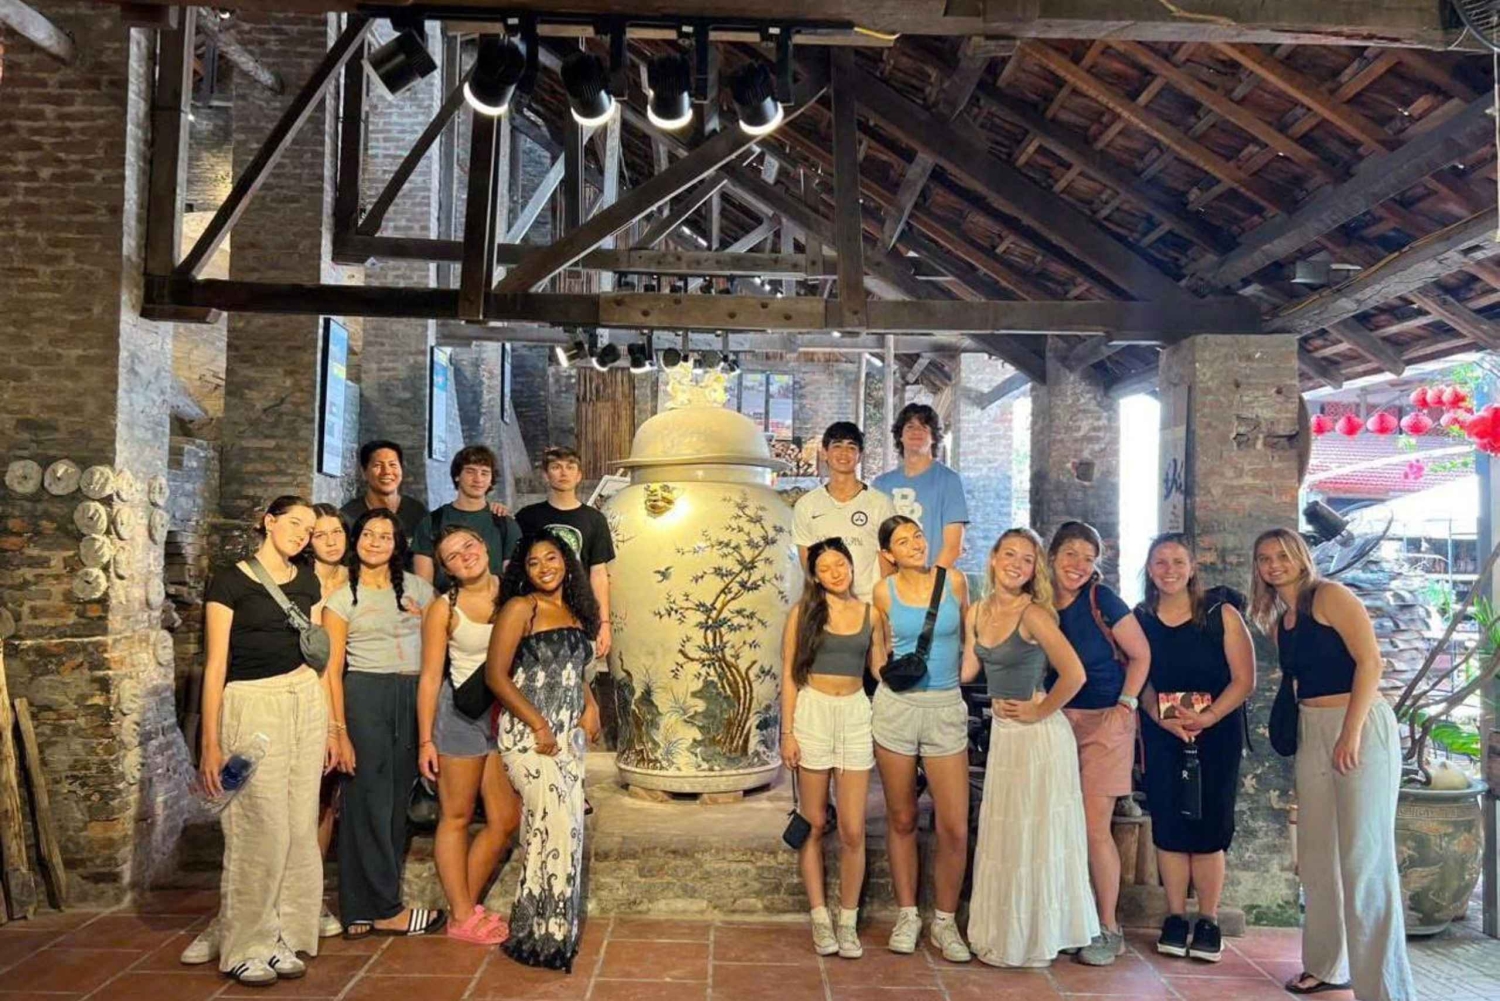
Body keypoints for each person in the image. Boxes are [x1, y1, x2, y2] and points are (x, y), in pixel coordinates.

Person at [180, 503, 349, 969]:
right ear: (269, 522)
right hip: (252, 701)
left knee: (298, 825)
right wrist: (210, 743)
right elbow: (216, 665)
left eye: (309, 530)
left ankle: (286, 934)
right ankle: (246, 945)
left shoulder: (307, 580)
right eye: (294, 523)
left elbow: (317, 657)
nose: (302, 535)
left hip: (304, 699)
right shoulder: (229, 582)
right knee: (258, 826)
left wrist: (331, 726)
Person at [1252, 528, 1412, 1001]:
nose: (1274, 564)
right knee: (1318, 855)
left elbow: (1371, 662)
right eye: (1264, 558)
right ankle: (1326, 964)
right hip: (1312, 727)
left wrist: (1351, 731)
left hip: (1358, 723)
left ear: (1302, 557)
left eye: (1283, 555)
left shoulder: (1330, 596)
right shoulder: (1282, 621)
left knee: (1364, 858)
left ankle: (1385, 988)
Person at [962, 528, 1097, 968]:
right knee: (1007, 835)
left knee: (1033, 836)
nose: (1016, 565)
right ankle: (1005, 933)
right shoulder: (977, 612)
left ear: (1034, 568)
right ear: (994, 558)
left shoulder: (1035, 614)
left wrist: (1039, 710)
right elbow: (965, 672)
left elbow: (1075, 674)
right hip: (1004, 736)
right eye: (1010, 555)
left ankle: (1037, 936)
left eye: (1026, 559)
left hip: (1039, 737)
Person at [486, 530, 603, 971]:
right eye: (533, 563)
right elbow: (496, 676)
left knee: (562, 832)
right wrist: (537, 724)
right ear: (524, 570)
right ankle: (542, 937)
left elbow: (575, 672)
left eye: (551, 558)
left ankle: (544, 931)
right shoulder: (522, 608)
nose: (543, 568)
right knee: (552, 828)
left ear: (566, 561)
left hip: (568, 738)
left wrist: (591, 706)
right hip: (530, 737)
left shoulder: (575, 609)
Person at [324, 509, 444, 938]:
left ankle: (377, 904)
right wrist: (338, 730)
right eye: (368, 534)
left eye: (385, 536)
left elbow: (441, 643)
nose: (376, 542)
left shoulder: (420, 590)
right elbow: (332, 670)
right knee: (365, 800)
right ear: (356, 540)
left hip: (414, 695)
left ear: (398, 545)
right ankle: (369, 907)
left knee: (396, 804)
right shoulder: (341, 598)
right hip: (365, 695)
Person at [1136, 533, 1255, 963]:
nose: (1169, 570)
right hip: (1164, 733)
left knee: (1209, 825)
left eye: (1177, 562)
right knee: (1169, 823)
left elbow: (1244, 679)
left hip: (1216, 733)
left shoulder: (1221, 615)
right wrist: (1158, 717)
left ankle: (1207, 920)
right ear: (1150, 569)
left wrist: (1209, 717)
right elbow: (1139, 678)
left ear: (1192, 568)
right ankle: (1174, 917)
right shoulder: (1141, 618)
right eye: (1160, 562)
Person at [1047, 520, 1150, 966]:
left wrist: (1126, 704)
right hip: (1053, 719)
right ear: (1052, 555)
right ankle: (1073, 920)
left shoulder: (1101, 599)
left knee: (1094, 827)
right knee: (1058, 824)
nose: (1078, 564)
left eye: (1088, 558)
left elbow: (1141, 654)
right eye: (1071, 553)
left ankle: (1109, 927)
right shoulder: (1038, 600)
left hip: (1105, 720)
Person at [780, 538, 889, 959]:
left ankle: (848, 919)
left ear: (850, 565)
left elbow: (879, 668)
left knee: (852, 828)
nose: (835, 573)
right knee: (814, 821)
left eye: (840, 564)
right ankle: (819, 917)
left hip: (855, 713)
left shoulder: (871, 614)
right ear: (815, 576)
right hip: (813, 711)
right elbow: (790, 674)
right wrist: (788, 733)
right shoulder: (803, 614)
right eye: (825, 568)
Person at [869, 515, 971, 962]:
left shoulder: (955, 582)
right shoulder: (882, 592)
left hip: (945, 707)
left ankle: (945, 921)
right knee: (902, 817)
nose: (914, 544)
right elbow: (877, 648)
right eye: (902, 541)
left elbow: (971, 637)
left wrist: (963, 678)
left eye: (917, 536)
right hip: (897, 709)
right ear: (888, 554)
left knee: (954, 825)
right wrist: (885, 679)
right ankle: (908, 914)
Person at [417, 526, 522, 946]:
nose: (465, 556)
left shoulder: (513, 589)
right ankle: (462, 915)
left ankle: (463, 908)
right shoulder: (444, 608)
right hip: (461, 715)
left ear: (484, 546)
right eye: (453, 556)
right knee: (457, 815)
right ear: (447, 570)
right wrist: (426, 740)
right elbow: (430, 677)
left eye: (469, 546)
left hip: (504, 713)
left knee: (505, 818)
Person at [514, 446, 615, 657]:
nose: (563, 473)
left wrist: (604, 622)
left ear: (579, 475)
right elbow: (516, 568)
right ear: (545, 475)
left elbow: (598, 574)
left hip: (581, 612)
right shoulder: (526, 517)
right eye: (556, 467)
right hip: (537, 613)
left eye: (570, 467)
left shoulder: (594, 520)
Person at [792, 422, 897, 601]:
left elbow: (889, 566)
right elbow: (808, 566)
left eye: (851, 447)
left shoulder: (880, 504)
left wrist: (884, 608)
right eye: (837, 446)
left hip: (868, 605)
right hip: (826, 607)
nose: (844, 453)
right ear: (824, 453)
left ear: (860, 456)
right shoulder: (806, 505)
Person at [871, 404, 968, 569]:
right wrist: (891, 582)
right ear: (900, 436)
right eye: (910, 427)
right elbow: (878, 545)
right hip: (894, 581)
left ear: (934, 437)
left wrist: (930, 581)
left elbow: (953, 547)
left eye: (923, 427)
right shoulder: (881, 484)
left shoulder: (948, 480)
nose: (916, 432)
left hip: (936, 578)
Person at [413, 445, 522, 590]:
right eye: (470, 471)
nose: (478, 479)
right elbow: (423, 586)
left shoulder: (505, 523)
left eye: (484, 473)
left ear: (491, 480)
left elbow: (512, 582)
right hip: (444, 601)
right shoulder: (432, 522)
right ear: (457, 476)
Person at [340, 440, 429, 545]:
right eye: (378, 465)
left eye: (392, 465)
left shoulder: (417, 512)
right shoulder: (348, 516)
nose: (386, 471)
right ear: (364, 473)